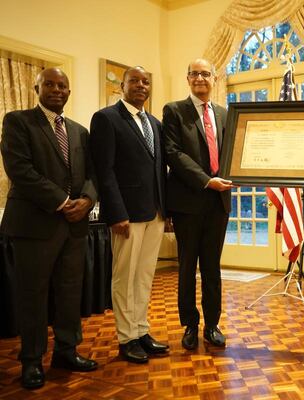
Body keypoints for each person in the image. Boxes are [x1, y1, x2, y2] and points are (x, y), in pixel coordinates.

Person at [0, 68, 98, 389]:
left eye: (63, 86)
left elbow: (92, 175)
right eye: (50, 84)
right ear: (37, 87)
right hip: (34, 225)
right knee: (33, 296)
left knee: (70, 292)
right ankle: (31, 361)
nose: (57, 90)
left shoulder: (80, 131)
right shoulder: (18, 122)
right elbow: (20, 170)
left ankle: (67, 352)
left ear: (69, 92)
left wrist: (86, 199)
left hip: (74, 227)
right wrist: (62, 201)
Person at [90, 66, 169, 363]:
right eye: (134, 81)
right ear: (121, 86)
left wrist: (166, 209)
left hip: (155, 212)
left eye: (145, 81)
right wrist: (116, 213)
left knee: (145, 275)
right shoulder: (106, 119)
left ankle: (141, 330)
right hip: (126, 215)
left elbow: (160, 169)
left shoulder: (155, 123)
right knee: (124, 277)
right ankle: (126, 338)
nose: (140, 85)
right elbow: (104, 170)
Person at [162, 58, 233, 350]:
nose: (200, 78)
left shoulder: (226, 114)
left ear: (214, 79)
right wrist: (206, 180)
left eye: (206, 74)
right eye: (195, 74)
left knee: (213, 268)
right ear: (187, 78)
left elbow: (233, 152)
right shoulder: (174, 111)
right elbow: (173, 153)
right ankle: (190, 324)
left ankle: (213, 324)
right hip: (188, 202)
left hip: (219, 203)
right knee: (188, 267)